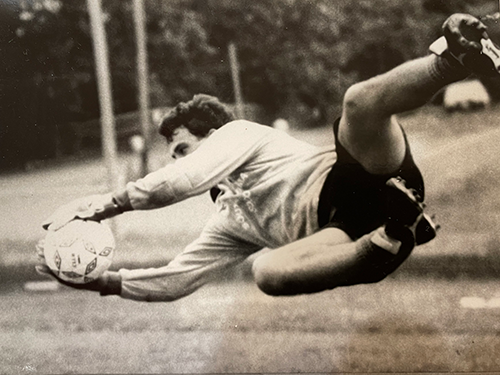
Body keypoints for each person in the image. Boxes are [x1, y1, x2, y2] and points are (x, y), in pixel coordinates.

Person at [37, 13, 499, 301]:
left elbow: (179, 182)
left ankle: (457, 58)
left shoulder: (240, 134)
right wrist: (98, 282)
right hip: (346, 236)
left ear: (213, 134)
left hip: (359, 176)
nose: (175, 161)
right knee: (267, 273)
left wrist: (103, 206)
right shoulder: (228, 221)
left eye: (181, 149)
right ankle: (399, 232)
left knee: (357, 102)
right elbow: (178, 278)